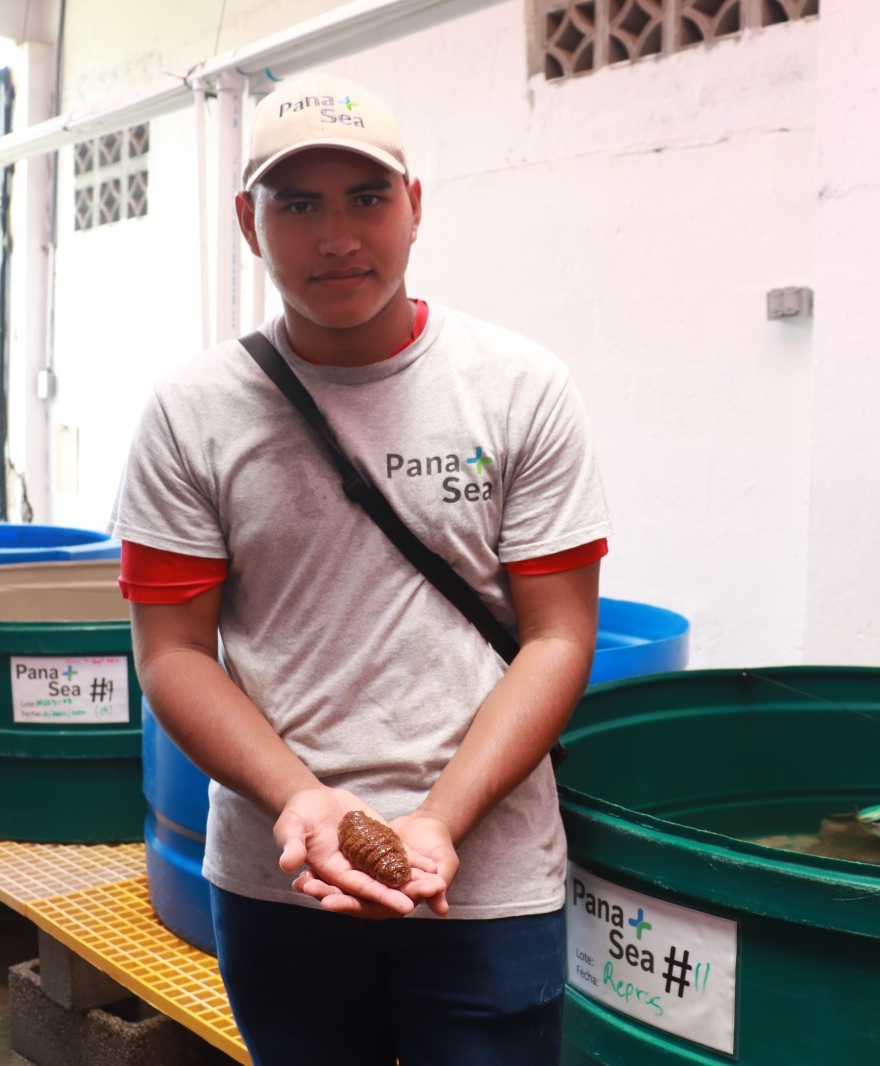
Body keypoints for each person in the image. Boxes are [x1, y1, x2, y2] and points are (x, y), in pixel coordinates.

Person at [109, 71, 612, 1065]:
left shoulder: (519, 389)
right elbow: (172, 652)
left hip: (488, 880)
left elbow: (558, 635)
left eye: (367, 198)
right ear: (249, 223)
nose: (336, 237)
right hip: (278, 874)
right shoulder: (190, 411)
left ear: (413, 206)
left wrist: (442, 819)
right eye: (298, 205)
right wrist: (299, 797)